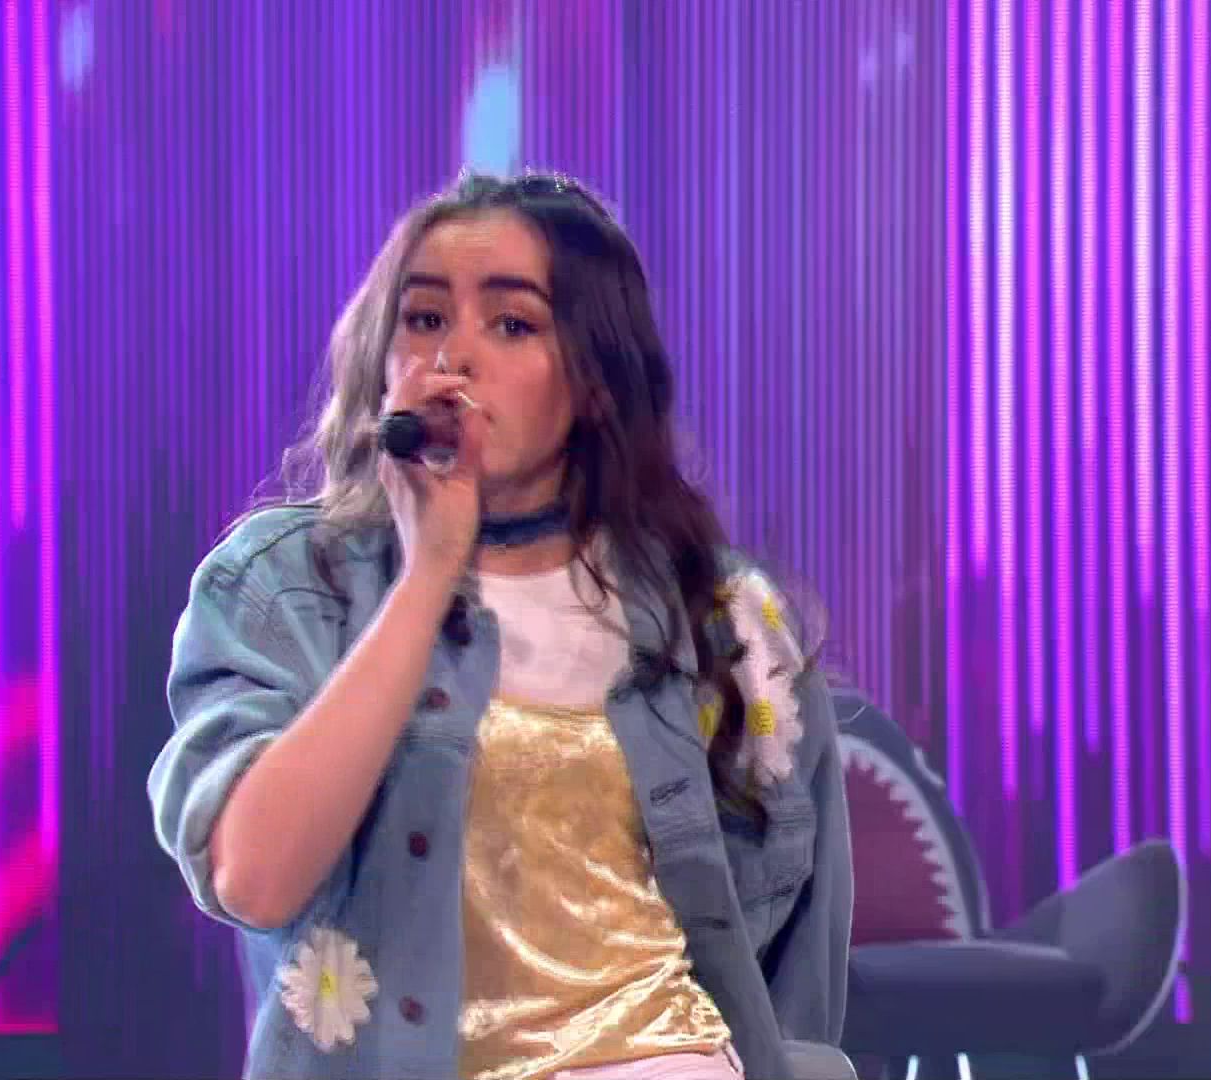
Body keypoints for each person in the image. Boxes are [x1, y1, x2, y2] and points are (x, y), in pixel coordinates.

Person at [148, 172, 853, 1080]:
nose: (453, 359)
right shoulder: (289, 586)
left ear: (595, 380)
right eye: (424, 319)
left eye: (512, 325)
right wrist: (430, 568)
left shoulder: (719, 613)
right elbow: (255, 878)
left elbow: (797, 959)